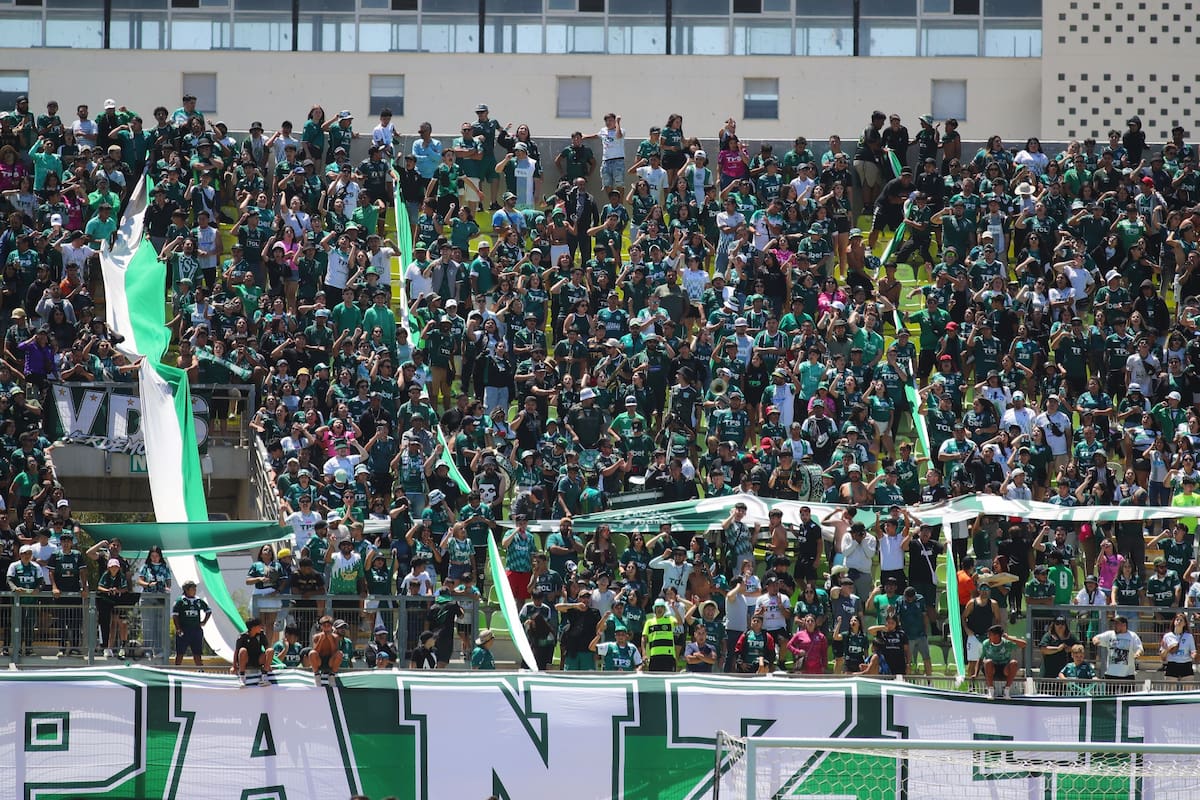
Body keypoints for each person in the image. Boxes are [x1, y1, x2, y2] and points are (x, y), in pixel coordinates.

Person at [980, 623, 1027, 699]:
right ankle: (991, 690)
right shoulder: (986, 643)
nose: (988, 636)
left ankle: (1006, 690)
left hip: (1004, 668)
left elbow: (1024, 644)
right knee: (988, 662)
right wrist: (975, 673)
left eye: (990, 634)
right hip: (992, 669)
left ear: (997, 635)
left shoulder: (1006, 643)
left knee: (1014, 662)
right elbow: (981, 658)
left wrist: (1009, 638)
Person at [1091, 615, 1143, 684]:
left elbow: (1139, 649)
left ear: (1124, 625)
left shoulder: (1132, 636)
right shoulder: (1109, 634)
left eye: (1117, 623)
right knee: (1110, 694)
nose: (1114, 625)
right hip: (1111, 674)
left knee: (1128, 695)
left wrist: (1137, 653)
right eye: (1114, 624)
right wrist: (1095, 640)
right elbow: (1096, 637)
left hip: (1127, 674)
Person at [171, 580, 211, 667]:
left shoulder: (198, 600)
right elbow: (175, 615)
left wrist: (204, 621)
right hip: (184, 630)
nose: (194, 590)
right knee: (180, 653)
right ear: (186, 589)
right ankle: (176, 671)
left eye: (195, 588)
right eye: (192, 588)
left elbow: (208, 610)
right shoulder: (180, 601)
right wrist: (178, 628)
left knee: (197, 653)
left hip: (196, 630)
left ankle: (200, 671)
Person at [234, 617, 273, 687]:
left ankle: (264, 677)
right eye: (259, 625)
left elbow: (267, 648)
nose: (261, 627)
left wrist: (268, 664)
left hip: (258, 659)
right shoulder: (242, 636)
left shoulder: (261, 634)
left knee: (270, 650)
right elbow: (236, 652)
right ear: (253, 627)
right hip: (247, 660)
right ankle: (242, 677)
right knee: (242, 650)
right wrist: (234, 666)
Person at [642, 598, 679, 672]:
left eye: (662, 607)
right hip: (654, 656)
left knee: (669, 678)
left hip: (669, 656)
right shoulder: (649, 622)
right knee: (655, 680)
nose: (659, 609)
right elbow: (644, 638)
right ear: (654, 609)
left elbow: (680, 622)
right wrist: (644, 653)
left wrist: (674, 608)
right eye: (658, 607)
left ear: (664, 609)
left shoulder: (670, 619)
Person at [1159, 612, 1197, 682]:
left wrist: (1193, 654)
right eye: (1177, 620)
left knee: (1188, 691)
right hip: (1172, 664)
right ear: (1174, 622)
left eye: (1181, 620)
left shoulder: (1189, 636)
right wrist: (1169, 648)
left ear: (1185, 623)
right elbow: (1162, 655)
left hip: (1186, 664)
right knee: (1170, 691)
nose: (1179, 622)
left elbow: (1193, 650)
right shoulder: (1167, 636)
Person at [309, 615, 344, 686]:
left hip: (330, 661)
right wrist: (321, 640)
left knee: (339, 653)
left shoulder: (335, 637)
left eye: (328, 625)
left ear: (331, 626)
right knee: (312, 653)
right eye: (324, 625)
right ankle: (317, 675)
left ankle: (332, 675)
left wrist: (330, 640)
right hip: (319, 661)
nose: (326, 627)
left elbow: (334, 651)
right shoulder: (316, 636)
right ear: (321, 626)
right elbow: (315, 651)